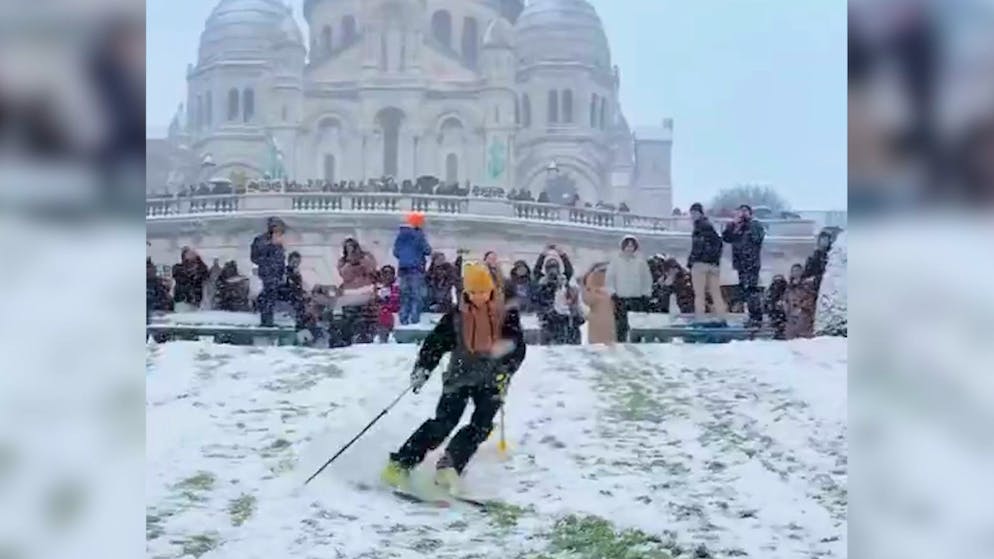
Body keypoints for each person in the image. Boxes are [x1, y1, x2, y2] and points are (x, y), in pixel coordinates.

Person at [381, 262, 526, 492]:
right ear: (466, 292)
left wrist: (508, 369)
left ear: (491, 290)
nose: (478, 296)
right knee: (443, 424)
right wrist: (423, 369)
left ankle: (450, 465)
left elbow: (517, 345)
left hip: (492, 379)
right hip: (460, 375)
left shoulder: (504, 314)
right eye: (473, 292)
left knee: (481, 426)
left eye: (483, 291)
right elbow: (435, 344)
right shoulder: (457, 316)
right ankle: (401, 463)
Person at [721, 205, 766, 328]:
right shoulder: (736, 226)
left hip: (752, 263)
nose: (742, 214)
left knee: (752, 290)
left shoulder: (755, 225)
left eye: (745, 211)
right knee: (743, 291)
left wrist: (747, 224)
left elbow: (758, 238)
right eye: (740, 212)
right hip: (740, 264)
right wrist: (733, 225)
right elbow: (726, 238)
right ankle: (749, 315)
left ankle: (756, 317)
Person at [605, 235, 653, 342]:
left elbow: (647, 279)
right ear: (623, 247)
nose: (629, 249)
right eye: (627, 246)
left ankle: (636, 343)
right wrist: (612, 293)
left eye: (632, 246)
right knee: (621, 324)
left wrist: (646, 294)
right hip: (620, 298)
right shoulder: (616, 262)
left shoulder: (641, 262)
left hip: (637, 298)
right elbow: (609, 279)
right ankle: (620, 343)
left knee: (636, 325)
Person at [532, 246, 582, 345]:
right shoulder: (542, 281)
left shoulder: (563, 279)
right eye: (550, 268)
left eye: (554, 267)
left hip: (563, 316)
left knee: (565, 339)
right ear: (546, 269)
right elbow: (536, 270)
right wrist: (543, 255)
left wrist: (562, 255)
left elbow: (569, 269)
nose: (552, 271)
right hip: (548, 316)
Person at [687, 202, 728, 322]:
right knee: (716, 293)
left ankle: (700, 318)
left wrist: (692, 260)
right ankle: (721, 316)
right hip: (713, 265)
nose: (693, 216)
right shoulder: (710, 227)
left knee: (699, 294)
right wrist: (715, 260)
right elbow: (719, 244)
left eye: (694, 213)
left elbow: (697, 247)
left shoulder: (698, 228)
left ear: (700, 213)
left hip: (700, 264)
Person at [393, 212, 433, 325]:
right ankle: (414, 319)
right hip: (416, 268)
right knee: (416, 295)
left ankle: (403, 318)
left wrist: (404, 258)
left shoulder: (401, 235)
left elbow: (396, 252)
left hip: (403, 269)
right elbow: (427, 250)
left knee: (404, 295)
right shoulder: (418, 235)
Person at [337, 237, 378, 344]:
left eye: (353, 248)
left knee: (366, 319)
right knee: (350, 319)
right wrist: (350, 262)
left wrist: (361, 260)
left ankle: (366, 337)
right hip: (350, 295)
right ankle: (350, 338)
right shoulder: (343, 262)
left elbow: (372, 269)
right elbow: (345, 275)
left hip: (366, 294)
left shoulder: (366, 257)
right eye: (348, 248)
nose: (352, 251)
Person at [251, 217, 287, 327]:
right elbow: (255, 257)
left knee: (271, 297)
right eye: (278, 228)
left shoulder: (278, 242)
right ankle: (265, 319)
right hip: (267, 273)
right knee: (267, 296)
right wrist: (269, 250)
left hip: (275, 274)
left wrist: (282, 272)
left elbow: (281, 259)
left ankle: (268, 319)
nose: (280, 231)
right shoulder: (261, 240)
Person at [581, 263, 615, 345]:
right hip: (604, 317)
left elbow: (587, 300)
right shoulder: (608, 288)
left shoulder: (592, 285)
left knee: (599, 342)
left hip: (600, 317)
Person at [784, 264, 817, 339]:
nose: (796, 273)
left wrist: (801, 306)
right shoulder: (789, 286)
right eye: (794, 271)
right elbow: (786, 299)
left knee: (803, 336)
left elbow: (811, 298)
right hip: (791, 316)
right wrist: (787, 308)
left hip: (804, 315)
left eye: (797, 270)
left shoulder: (807, 285)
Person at [172, 247, 208, 312]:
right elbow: (181, 278)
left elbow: (205, 273)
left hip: (195, 302)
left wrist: (199, 260)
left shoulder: (198, 270)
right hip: (181, 301)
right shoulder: (177, 268)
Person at [375, 265, 401, 343]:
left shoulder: (397, 286)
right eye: (385, 274)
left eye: (389, 274)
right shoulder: (378, 288)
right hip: (380, 312)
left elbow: (395, 301)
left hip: (394, 312)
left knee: (385, 313)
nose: (387, 276)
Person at [764, 274, 788, 340]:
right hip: (775, 312)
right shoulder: (770, 291)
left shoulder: (787, 290)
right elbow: (767, 301)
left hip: (784, 312)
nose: (778, 284)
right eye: (776, 282)